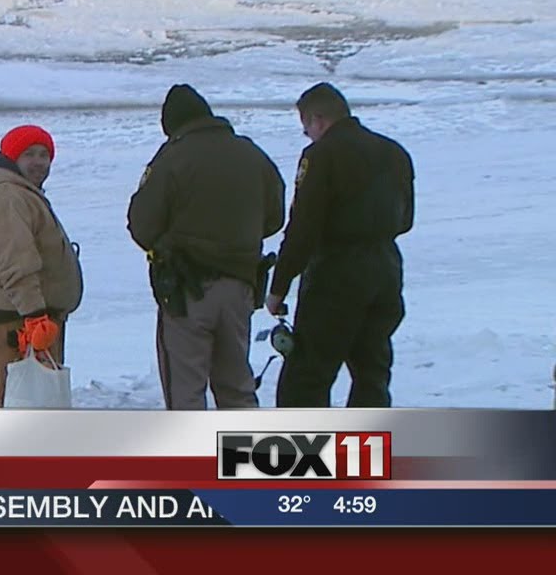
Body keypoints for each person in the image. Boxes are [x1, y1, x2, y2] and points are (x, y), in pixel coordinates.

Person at [128, 84, 285, 410]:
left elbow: (142, 225)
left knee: (186, 390)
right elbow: (275, 217)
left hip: (187, 290)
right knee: (237, 387)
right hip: (241, 286)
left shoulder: (172, 157)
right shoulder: (251, 154)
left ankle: (194, 459)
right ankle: (246, 458)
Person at [266, 82, 414, 408]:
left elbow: (303, 229)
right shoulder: (394, 152)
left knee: (306, 380)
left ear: (318, 119)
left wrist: (278, 288)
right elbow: (405, 221)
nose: (309, 136)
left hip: (336, 276)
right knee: (372, 376)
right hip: (386, 272)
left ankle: (303, 454)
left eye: (307, 130)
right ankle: (363, 453)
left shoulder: (322, 156)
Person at [0, 125, 83, 407]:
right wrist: (34, 316)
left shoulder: (22, 193)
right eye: (29, 154)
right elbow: (15, 261)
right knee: (18, 412)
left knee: (36, 414)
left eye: (44, 155)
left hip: (31, 320)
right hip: (16, 322)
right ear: (12, 158)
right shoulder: (7, 196)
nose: (38, 162)